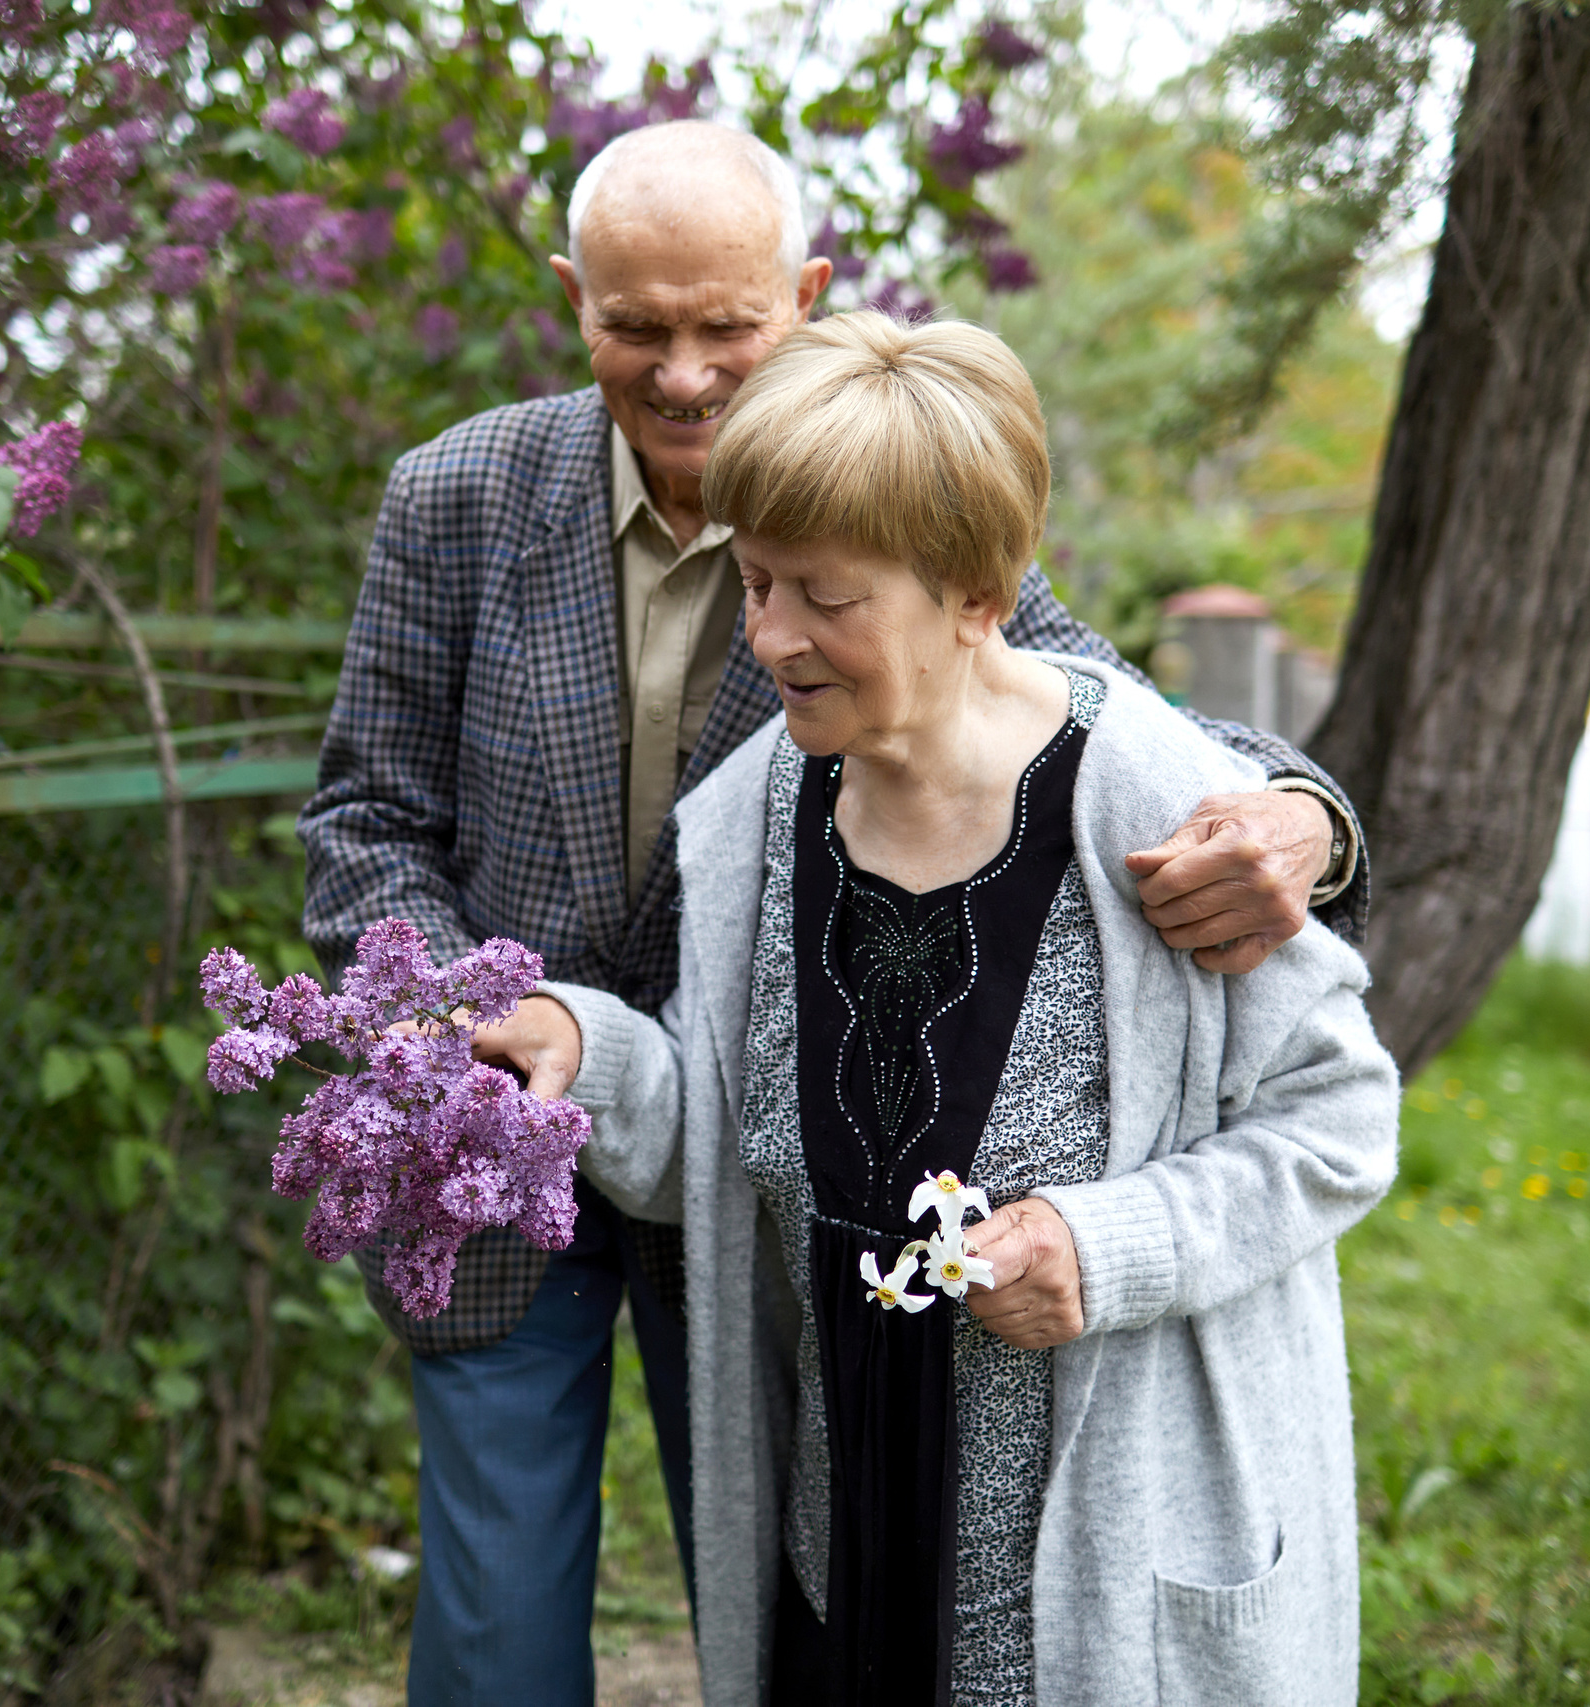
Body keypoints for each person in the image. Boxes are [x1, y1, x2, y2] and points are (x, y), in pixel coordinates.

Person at [296, 122, 1373, 1707]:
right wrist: (489, 1026)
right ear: (570, 301)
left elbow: (1107, 719)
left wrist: (1299, 814)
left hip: (762, 1193)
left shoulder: (871, 496)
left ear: (802, 295)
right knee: (501, 1612)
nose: (680, 374)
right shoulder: (455, 499)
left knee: (767, 1538)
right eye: (634, 325)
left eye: (725, 326)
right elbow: (365, 820)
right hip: (542, 1126)